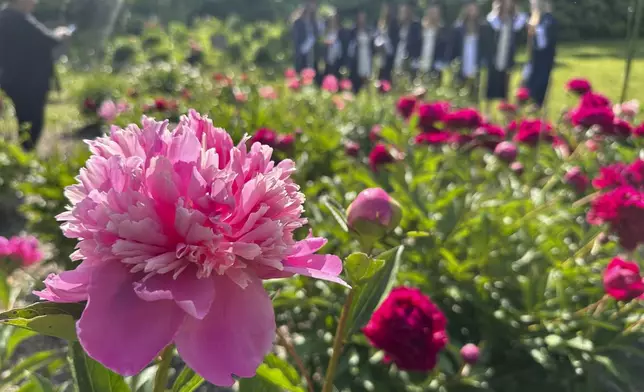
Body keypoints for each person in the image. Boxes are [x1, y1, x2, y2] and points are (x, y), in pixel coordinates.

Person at [0, 0, 72, 151]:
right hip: (30, 81)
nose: (34, 3)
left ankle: (22, 154)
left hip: (11, 78)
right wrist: (60, 34)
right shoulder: (20, 19)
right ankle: (26, 153)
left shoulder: (4, 17)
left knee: (23, 117)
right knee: (33, 120)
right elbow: (48, 40)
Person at [484, 0, 527, 108]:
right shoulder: (493, 18)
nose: (508, 4)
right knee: (491, 82)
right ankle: (487, 109)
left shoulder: (514, 19)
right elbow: (493, 25)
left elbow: (521, 21)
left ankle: (504, 106)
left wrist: (516, 11)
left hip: (508, 55)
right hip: (494, 56)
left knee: (506, 82)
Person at [449, 0, 488, 101]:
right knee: (459, 90)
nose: (472, 11)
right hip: (463, 59)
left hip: (476, 60)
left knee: (474, 90)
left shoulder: (482, 27)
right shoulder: (458, 27)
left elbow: (486, 47)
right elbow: (453, 48)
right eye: (469, 8)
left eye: (474, 8)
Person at [522, 0, 557, 109]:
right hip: (534, 56)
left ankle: (538, 104)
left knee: (542, 80)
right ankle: (527, 102)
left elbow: (548, 40)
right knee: (528, 79)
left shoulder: (548, 19)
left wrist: (537, 30)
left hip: (545, 57)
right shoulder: (531, 19)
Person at [412, 1, 450, 83]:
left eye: (435, 12)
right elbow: (414, 46)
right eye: (431, 11)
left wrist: (440, 63)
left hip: (434, 68)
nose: (433, 14)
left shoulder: (443, 31)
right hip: (419, 67)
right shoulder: (419, 28)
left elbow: (445, 50)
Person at [292, 0, 323, 76]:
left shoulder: (316, 22)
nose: (312, 6)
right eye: (310, 3)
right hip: (302, 56)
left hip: (314, 58)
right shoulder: (298, 22)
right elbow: (296, 40)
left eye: (314, 4)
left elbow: (318, 37)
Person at [393, 1, 421, 79]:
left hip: (411, 59)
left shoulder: (416, 25)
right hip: (399, 55)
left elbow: (417, 42)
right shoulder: (397, 24)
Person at [348, 9, 374, 93]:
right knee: (356, 77)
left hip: (366, 55)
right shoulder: (353, 30)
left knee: (366, 76)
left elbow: (372, 44)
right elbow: (350, 45)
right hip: (356, 57)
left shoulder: (369, 30)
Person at [375, 2, 398, 84]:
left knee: (388, 76)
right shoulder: (381, 23)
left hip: (390, 55)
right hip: (381, 55)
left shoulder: (395, 24)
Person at [322, 12, 346, 79]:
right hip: (328, 56)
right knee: (328, 72)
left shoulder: (341, 31)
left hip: (338, 56)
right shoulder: (326, 31)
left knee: (337, 72)